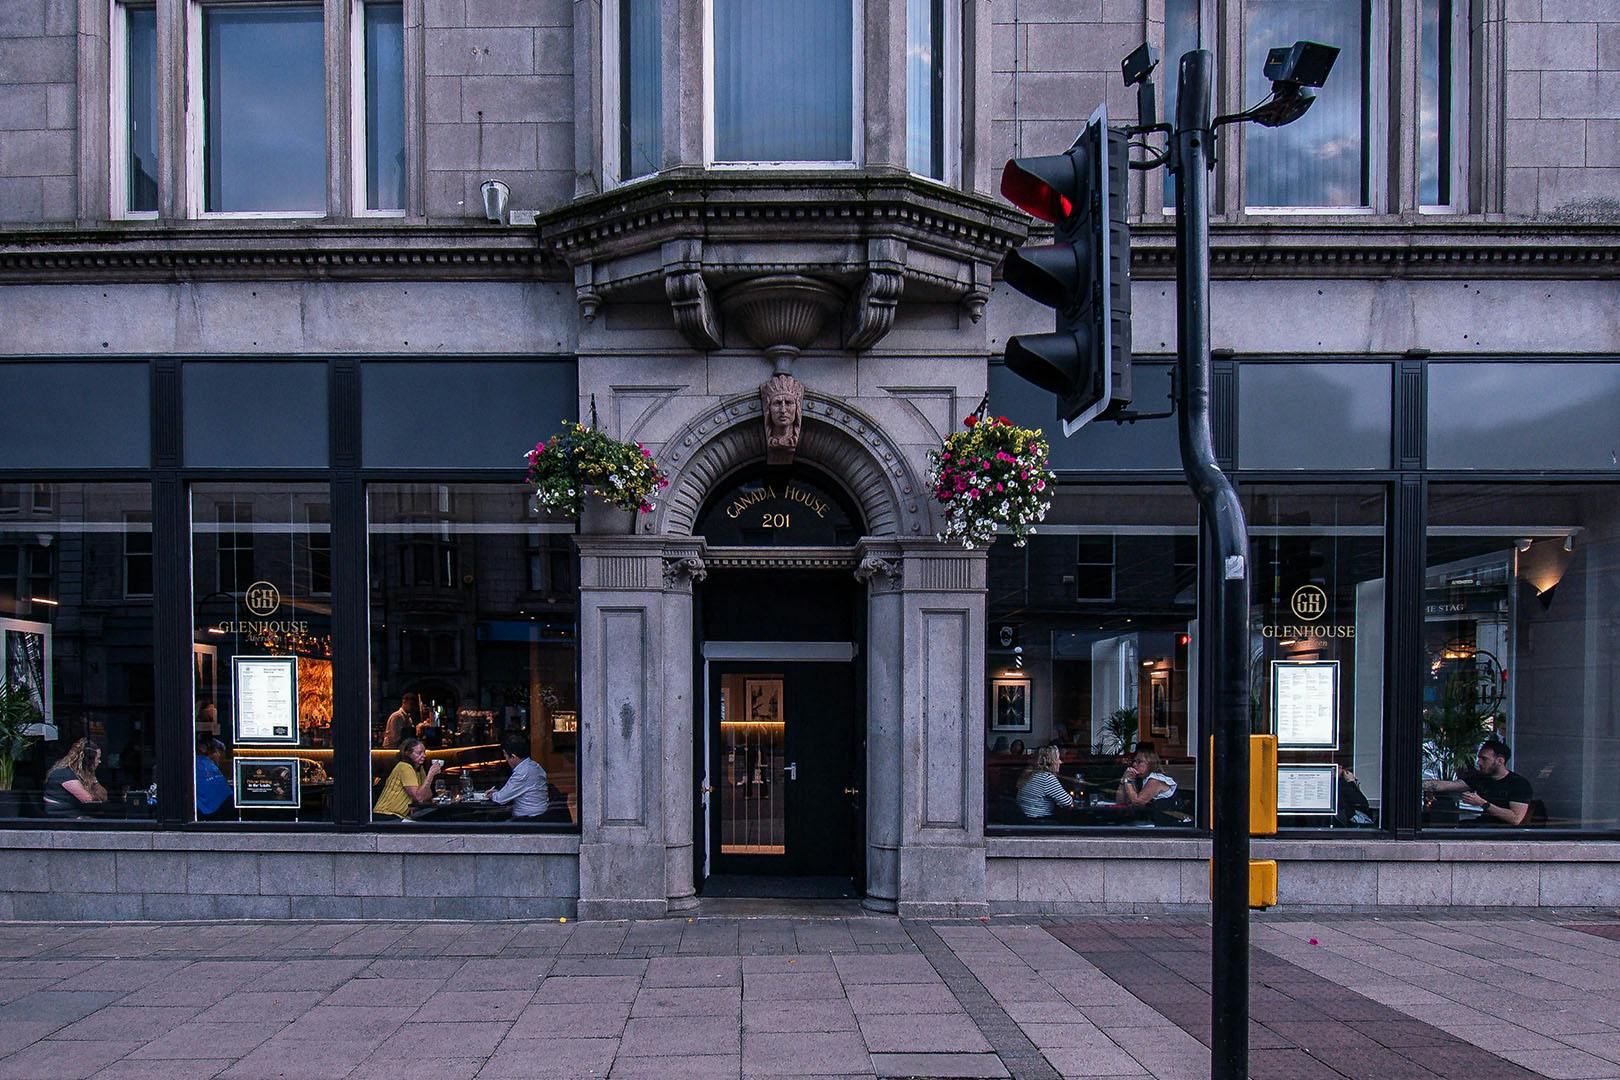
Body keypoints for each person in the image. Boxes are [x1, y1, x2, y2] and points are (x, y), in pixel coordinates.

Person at [1423, 738, 1533, 826]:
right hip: (1482, 826)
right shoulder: (1481, 778)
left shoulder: (1519, 784)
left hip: (1504, 833)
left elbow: (1515, 819)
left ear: (1500, 761)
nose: (1479, 762)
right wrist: (1420, 784)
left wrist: (1482, 803)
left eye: (1484, 759)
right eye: (1479, 758)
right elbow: (1451, 785)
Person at [373, 737, 442, 820]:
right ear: (407, 754)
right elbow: (418, 797)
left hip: (399, 816)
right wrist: (430, 775)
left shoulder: (420, 769)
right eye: (419, 753)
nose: (424, 755)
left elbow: (427, 796)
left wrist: (429, 778)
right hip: (386, 815)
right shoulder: (404, 767)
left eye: (424, 752)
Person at [487, 734, 549, 820]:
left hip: (528, 819)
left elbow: (500, 799)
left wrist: (491, 795)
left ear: (513, 757)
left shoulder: (522, 773)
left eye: (505, 756)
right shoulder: (534, 766)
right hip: (537, 815)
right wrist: (498, 793)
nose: (506, 760)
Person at [43, 738, 108, 817]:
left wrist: (93, 778)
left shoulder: (82, 774)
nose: (99, 761)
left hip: (74, 813)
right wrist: (95, 796)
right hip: (63, 816)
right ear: (88, 760)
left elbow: (104, 797)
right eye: (97, 759)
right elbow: (89, 801)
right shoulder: (65, 775)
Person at [1115, 744, 1178, 819]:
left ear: (1150, 764)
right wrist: (1123, 780)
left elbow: (1137, 803)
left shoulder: (1155, 780)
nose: (1134, 764)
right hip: (1147, 819)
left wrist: (1128, 781)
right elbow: (1120, 801)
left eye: (1139, 762)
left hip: (1163, 821)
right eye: (1134, 761)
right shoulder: (1140, 778)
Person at [1015, 746, 1079, 820]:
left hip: (1026, 820)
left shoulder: (1029, 773)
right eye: (1058, 758)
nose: (1060, 762)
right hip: (1039, 822)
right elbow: (1067, 802)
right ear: (1050, 761)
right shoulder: (1046, 777)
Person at [195, 735, 233, 819]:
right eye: (217, 752)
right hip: (212, 812)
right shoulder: (201, 762)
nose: (219, 756)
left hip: (218, 808)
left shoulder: (207, 763)